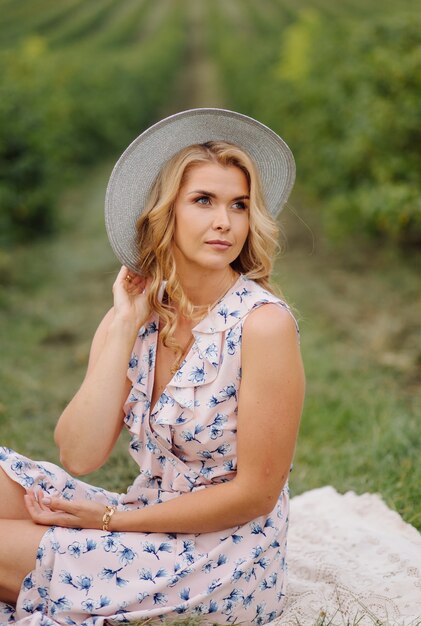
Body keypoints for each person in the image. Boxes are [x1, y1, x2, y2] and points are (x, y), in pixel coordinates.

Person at [0, 108, 305, 626]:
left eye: (239, 205)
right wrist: (122, 325)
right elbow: (79, 452)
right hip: (147, 520)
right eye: (203, 201)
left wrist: (112, 520)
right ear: (166, 212)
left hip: (222, 557)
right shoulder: (140, 315)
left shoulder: (263, 326)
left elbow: (256, 495)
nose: (224, 222)